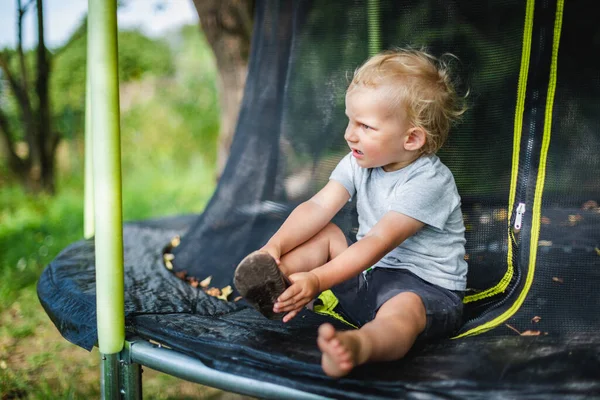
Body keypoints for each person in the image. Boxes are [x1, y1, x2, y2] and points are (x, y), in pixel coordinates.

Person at [233, 48, 468, 378]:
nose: (349, 134)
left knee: (403, 313)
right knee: (327, 233)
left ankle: (359, 346)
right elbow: (318, 206)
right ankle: (278, 282)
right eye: (349, 119)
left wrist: (318, 279)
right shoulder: (360, 161)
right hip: (366, 277)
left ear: (412, 138)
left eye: (365, 126)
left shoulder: (429, 182)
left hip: (424, 290)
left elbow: (377, 242)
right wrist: (274, 247)